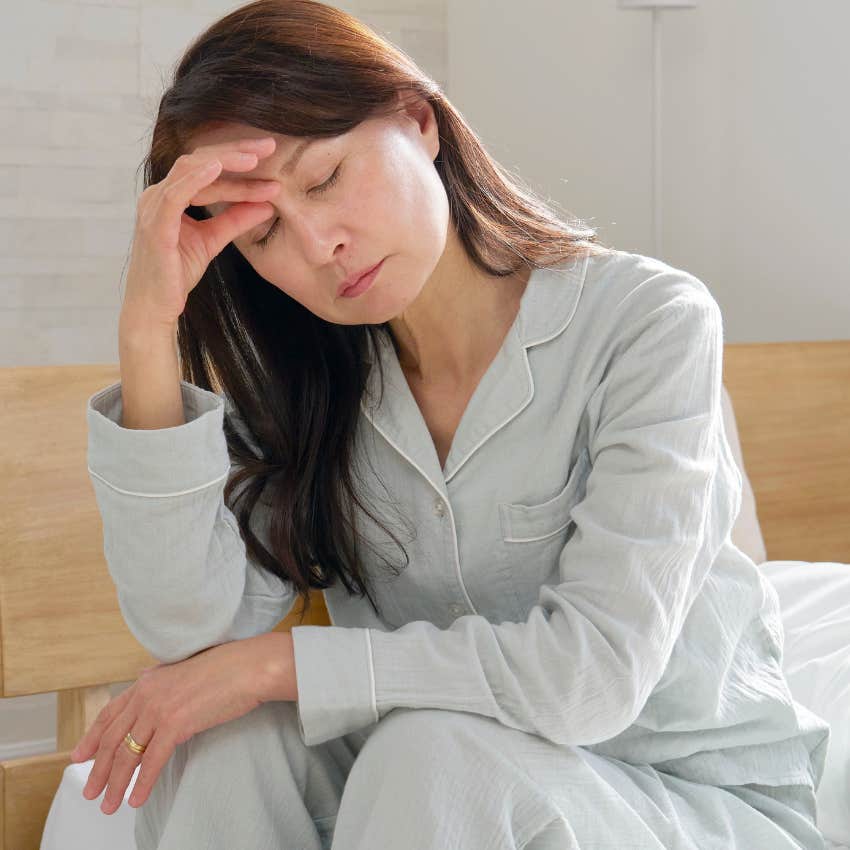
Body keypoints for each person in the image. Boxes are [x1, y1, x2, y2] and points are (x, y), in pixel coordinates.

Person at [77, 0, 831, 847]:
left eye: (324, 179)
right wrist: (148, 332)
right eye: (265, 234)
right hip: (435, 791)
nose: (319, 244)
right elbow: (190, 635)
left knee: (434, 756)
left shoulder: (648, 322)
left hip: (683, 798)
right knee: (218, 742)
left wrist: (280, 665)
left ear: (418, 120)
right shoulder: (308, 386)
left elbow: (590, 680)